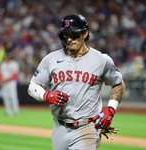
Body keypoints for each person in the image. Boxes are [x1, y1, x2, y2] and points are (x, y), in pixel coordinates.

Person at [28, 13, 125, 150]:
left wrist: (110, 110)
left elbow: (118, 83)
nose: (69, 39)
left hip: (87, 127)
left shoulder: (101, 60)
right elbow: (33, 86)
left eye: (74, 35)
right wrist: (46, 95)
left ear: (85, 34)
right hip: (59, 127)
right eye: (65, 35)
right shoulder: (51, 59)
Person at [0, 52, 20, 116]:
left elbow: (15, 75)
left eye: (7, 57)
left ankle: (16, 111)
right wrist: (0, 80)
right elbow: (0, 74)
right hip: (4, 83)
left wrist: (6, 79)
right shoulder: (3, 64)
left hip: (11, 82)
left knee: (13, 96)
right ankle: (8, 111)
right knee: (5, 97)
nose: (6, 58)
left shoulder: (14, 64)